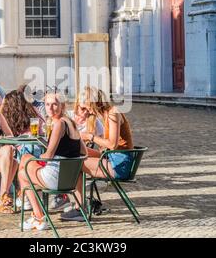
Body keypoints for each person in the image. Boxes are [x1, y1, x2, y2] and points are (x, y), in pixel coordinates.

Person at [60, 86, 134, 222]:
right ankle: (74, 202)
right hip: (114, 158)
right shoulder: (106, 114)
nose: (87, 112)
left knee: (76, 162)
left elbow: (112, 144)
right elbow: (106, 147)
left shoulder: (113, 113)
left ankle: (78, 207)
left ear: (94, 103)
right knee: (77, 153)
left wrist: (89, 136)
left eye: (87, 108)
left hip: (119, 164)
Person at [18, 91, 87, 231]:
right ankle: (35, 214)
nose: (50, 108)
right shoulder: (71, 123)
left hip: (56, 178)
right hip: (70, 178)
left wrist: (37, 157)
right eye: (47, 104)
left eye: (54, 104)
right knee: (26, 160)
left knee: (22, 174)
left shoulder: (59, 124)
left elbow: (49, 155)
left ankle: (38, 217)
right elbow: (84, 152)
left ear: (62, 105)